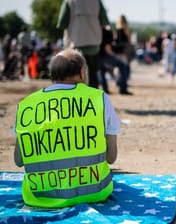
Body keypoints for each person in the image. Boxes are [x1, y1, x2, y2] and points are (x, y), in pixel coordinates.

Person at [13, 48, 120, 208]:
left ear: (52, 75)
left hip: (39, 197)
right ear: (83, 73)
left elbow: (18, 160)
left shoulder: (27, 105)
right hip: (95, 192)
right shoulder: (99, 99)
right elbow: (111, 157)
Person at [57, 0, 109, 89]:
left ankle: (77, 99)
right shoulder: (97, 1)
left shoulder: (69, 1)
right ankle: (93, 99)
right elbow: (104, 21)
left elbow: (62, 23)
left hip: (75, 43)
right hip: (94, 43)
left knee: (75, 76)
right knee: (92, 74)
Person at [99, 25, 132, 95]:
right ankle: (123, 88)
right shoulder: (106, 32)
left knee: (101, 70)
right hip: (105, 56)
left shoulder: (95, 31)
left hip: (96, 56)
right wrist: (113, 55)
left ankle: (105, 89)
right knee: (122, 65)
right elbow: (107, 48)